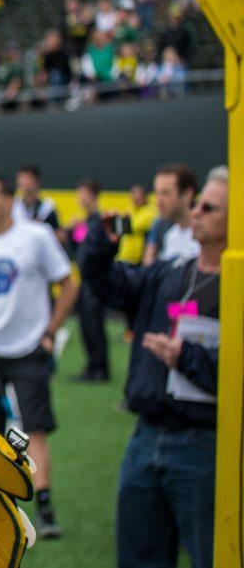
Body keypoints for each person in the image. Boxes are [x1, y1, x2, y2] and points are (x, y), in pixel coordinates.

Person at [81, 168, 227, 568]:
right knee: (139, 556)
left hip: (204, 445)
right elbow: (107, 284)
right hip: (145, 436)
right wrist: (99, 244)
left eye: (208, 207)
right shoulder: (171, 274)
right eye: (196, 204)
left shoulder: (236, 287)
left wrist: (186, 358)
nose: (195, 212)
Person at [0, 176, 78, 539]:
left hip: (29, 348)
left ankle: (44, 508)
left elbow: (68, 284)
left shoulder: (36, 237)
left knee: (36, 430)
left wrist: (49, 333)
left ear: (8, 199)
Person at [73, 178, 110, 382]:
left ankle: (100, 368)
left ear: (94, 196)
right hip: (83, 281)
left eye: (84, 193)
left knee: (95, 325)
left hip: (95, 283)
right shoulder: (84, 223)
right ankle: (92, 365)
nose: (81, 198)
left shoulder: (100, 221)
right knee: (86, 325)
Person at [143, 163, 200, 266]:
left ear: (187, 195)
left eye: (165, 193)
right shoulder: (169, 234)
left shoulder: (205, 239)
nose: (158, 201)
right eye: (157, 193)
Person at [117, 183, 157, 266]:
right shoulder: (131, 209)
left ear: (145, 196)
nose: (136, 197)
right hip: (124, 257)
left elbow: (132, 226)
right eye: (133, 193)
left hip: (137, 261)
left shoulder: (150, 211)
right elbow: (120, 228)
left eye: (139, 194)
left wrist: (123, 221)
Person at [12, 164, 60, 232]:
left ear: (37, 182)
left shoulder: (47, 207)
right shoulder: (13, 206)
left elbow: (56, 233)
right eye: (22, 177)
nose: (25, 182)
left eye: (28, 178)